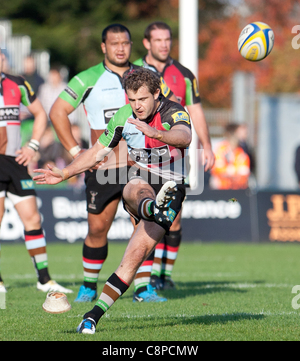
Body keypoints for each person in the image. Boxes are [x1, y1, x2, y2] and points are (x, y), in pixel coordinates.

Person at [33, 67, 192, 334]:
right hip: (141, 180)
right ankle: (152, 208)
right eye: (132, 99)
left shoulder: (174, 111)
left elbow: (185, 137)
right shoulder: (123, 116)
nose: (137, 106)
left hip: (172, 186)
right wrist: (65, 172)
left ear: (156, 93)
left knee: (133, 258)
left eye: (142, 99)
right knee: (134, 186)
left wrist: (157, 134)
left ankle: (92, 315)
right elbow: (97, 152)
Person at [49, 24, 175, 303]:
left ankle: (144, 288)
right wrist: (74, 151)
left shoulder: (148, 76)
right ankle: (89, 285)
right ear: (103, 47)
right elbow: (57, 111)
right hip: (103, 168)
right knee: (97, 229)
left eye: (125, 43)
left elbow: (170, 106)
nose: (120, 48)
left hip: (141, 166)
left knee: (146, 224)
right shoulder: (87, 78)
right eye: (114, 43)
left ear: (132, 45)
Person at [134, 21, 215, 291]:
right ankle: (143, 280)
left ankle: (163, 275)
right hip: (141, 157)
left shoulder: (184, 74)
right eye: (157, 40)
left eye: (167, 39)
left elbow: (195, 111)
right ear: (147, 43)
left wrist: (207, 145)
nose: (164, 44)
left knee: (173, 215)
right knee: (144, 216)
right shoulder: (133, 71)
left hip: (176, 157)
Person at [0, 49, 72, 294]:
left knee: (32, 218)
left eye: (2, 57)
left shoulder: (17, 83)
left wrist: (32, 145)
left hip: (16, 161)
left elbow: (41, 113)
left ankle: (44, 279)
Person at [210, 123, 250, 190]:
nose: (243, 136)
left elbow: (245, 171)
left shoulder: (241, 151)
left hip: (238, 189)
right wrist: (233, 171)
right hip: (221, 189)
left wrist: (230, 172)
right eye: (238, 133)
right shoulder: (221, 149)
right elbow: (217, 169)